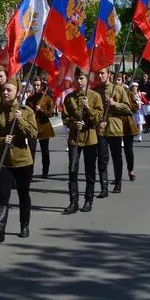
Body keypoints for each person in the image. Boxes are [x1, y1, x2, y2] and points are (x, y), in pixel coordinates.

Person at [0, 81, 38, 241]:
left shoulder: (26, 111)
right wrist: (2, 139)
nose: (5, 93)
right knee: (3, 195)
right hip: (3, 161)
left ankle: (24, 225)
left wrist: (21, 120)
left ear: (18, 92)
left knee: (23, 194)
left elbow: (34, 134)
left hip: (23, 160)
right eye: (4, 90)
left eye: (9, 90)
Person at [61, 71, 104, 214]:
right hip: (74, 138)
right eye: (77, 78)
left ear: (87, 79)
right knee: (72, 169)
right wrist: (74, 124)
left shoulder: (95, 96)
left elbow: (98, 118)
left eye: (81, 78)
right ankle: (73, 202)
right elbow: (65, 118)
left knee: (89, 171)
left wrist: (88, 108)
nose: (79, 81)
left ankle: (88, 200)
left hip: (90, 137)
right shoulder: (69, 98)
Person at [95, 68, 122, 198]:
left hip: (115, 128)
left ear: (109, 75)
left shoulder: (119, 89)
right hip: (101, 129)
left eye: (102, 73)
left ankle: (118, 182)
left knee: (117, 157)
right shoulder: (95, 91)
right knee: (102, 159)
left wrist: (115, 104)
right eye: (98, 73)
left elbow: (128, 108)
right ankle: (104, 187)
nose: (100, 75)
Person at [26, 78, 56, 178]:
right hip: (33, 127)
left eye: (38, 85)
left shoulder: (47, 98)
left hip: (44, 127)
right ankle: (29, 172)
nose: (36, 87)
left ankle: (45, 171)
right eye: (34, 85)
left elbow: (51, 114)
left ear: (42, 86)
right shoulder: (29, 99)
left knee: (45, 151)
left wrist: (41, 110)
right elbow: (26, 112)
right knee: (31, 151)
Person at [116, 73, 140, 182]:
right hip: (115, 125)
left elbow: (135, 107)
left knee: (128, 150)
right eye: (115, 80)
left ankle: (130, 170)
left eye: (119, 80)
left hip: (127, 125)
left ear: (123, 81)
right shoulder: (111, 93)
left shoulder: (129, 93)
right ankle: (118, 175)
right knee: (116, 152)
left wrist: (127, 106)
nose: (117, 82)